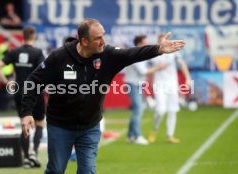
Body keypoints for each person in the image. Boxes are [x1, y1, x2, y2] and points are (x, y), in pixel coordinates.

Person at [20, 18, 185, 174]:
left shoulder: (108, 55)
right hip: (60, 126)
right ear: (84, 41)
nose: (103, 41)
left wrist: (158, 49)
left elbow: (132, 53)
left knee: (88, 172)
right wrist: (27, 112)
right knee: (56, 170)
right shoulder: (59, 57)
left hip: (90, 127)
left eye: (103, 35)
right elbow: (33, 81)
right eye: (98, 38)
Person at [0, 26, 45, 168]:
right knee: (40, 123)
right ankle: (34, 152)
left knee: (24, 123)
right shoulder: (38, 52)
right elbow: (44, 71)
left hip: (20, 92)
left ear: (23, 36)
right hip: (35, 91)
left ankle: (27, 158)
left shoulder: (15, 52)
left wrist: (6, 82)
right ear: (33, 36)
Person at [148, 34, 191, 144]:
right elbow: (149, 71)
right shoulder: (153, 53)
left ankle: (170, 135)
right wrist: (150, 84)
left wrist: (188, 78)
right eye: (162, 40)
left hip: (172, 84)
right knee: (161, 110)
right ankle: (155, 129)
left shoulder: (174, 52)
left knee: (172, 110)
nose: (164, 41)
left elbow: (182, 64)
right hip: (159, 84)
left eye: (166, 39)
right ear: (158, 41)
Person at [123, 35, 150, 145]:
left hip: (138, 84)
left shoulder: (141, 55)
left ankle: (130, 136)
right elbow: (143, 72)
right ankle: (138, 136)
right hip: (133, 85)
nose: (147, 44)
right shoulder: (135, 55)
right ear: (139, 43)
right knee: (138, 110)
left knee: (137, 110)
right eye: (145, 42)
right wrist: (159, 67)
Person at [0, 37, 14, 110]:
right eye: (8, 42)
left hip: (7, 72)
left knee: (6, 90)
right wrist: (10, 50)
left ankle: (5, 106)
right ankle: (2, 106)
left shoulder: (6, 48)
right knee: (4, 90)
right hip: (3, 73)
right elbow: (5, 52)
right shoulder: (1, 46)